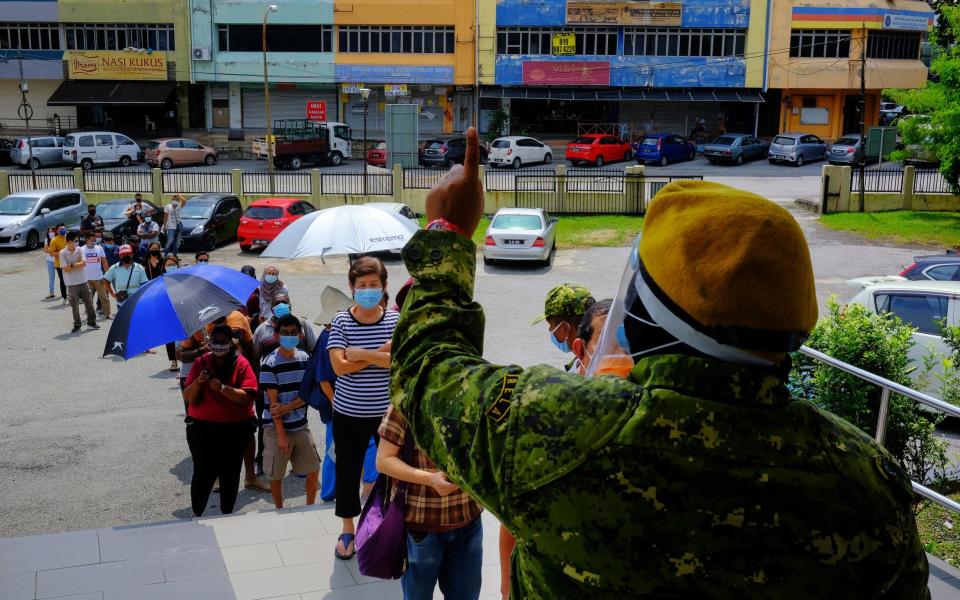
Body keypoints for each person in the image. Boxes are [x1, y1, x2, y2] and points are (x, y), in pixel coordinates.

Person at [390, 130, 929, 598]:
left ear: (642, 316)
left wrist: (449, 234)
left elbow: (427, 372)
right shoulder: (868, 483)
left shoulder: (563, 429)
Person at [327, 256, 398, 560]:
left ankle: (392, 525)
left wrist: (359, 353)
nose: (368, 290)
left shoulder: (395, 320)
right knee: (348, 471)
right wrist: (378, 354)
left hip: (387, 413)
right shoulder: (341, 320)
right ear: (351, 288)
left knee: (393, 472)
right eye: (362, 285)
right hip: (348, 412)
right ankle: (347, 529)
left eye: (374, 285)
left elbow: (399, 360)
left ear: (384, 287)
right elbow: (339, 368)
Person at [376, 406, 484, 600]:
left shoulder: (475, 397)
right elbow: (383, 460)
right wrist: (430, 479)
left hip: (468, 520)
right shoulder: (407, 403)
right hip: (422, 527)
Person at [182, 324, 258, 517]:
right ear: (209, 341)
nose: (218, 346)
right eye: (215, 342)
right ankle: (197, 513)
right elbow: (189, 397)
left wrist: (223, 388)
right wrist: (198, 382)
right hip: (202, 429)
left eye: (223, 342)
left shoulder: (241, 363)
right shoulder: (201, 362)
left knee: (230, 472)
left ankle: (227, 514)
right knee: (203, 472)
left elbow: (247, 396)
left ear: (231, 343)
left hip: (235, 429)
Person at [260, 315, 321, 508]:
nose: (289, 336)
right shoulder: (269, 363)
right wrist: (280, 435)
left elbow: (307, 394)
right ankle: (279, 509)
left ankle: (310, 507)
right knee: (276, 475)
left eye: (293, 333)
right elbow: (272, 404)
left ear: (300, 335)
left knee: (313, 469)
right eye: (285, 333)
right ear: (276, 336)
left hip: (300, 426)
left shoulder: (305, 359)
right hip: (276, 429)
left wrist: (288, 407)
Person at [532, 284, 595, 372]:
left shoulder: (582, 372)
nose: (550, 330)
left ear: (565, 328)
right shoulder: (600, 356)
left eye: (551, 325)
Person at [253, 294, 317, 359]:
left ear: (290, 307)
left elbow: (314, 350)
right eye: (277, 303)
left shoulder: (303, 324)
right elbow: (255, 357)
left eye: (284, 302)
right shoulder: (261, 330)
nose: (281, 305)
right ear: (271, 309)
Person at [59, 231, 99, 333]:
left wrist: (72, 265)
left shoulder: (79, 249)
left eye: (77, 241)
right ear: (69, 242)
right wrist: (77, 264)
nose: (77, 243)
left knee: (89, 302)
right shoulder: (62, 253)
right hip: (71, 283)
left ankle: (92, 322)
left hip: (83, 280)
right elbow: (65, 268)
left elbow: (84, 263)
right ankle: (77, 324)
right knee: (74, 305)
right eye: (75, 241)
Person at [102, 245, 148, 309]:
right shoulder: (114, 267)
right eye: (122, 254)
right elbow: (105, 280)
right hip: (121, 300)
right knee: (123, 319)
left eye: (127, 253)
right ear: (120, 256)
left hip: (136, 300)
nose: (125, 256)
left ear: (132, 254)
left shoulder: (139, 267)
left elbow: (144, 284)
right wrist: (112, 293)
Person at [80, 233, 111, 321]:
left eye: (95, 240)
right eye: (92, 240)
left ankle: (107, 314)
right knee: (88, 298)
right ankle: (90, 315)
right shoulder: (81, 250)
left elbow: (104, 262)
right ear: (87, 240)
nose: (94, 242)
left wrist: (108, 275)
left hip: (98, 277)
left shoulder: (99, 248)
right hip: (86, 279)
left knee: (104, 296)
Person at [48, 223, 68, 304]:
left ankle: (76, 297)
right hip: (59, 264)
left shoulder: (69, 238)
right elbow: (51, 253)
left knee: (72, 279)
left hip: (70, 262)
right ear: (57, 231)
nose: (62, 230)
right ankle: (64, 297)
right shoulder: (54, 240)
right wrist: (62, 253)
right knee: (63, 281)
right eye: (60, 229)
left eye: (64, 228)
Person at [43, 226, 58, 300]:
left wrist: (51, 251)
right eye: (49, 232)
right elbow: (45, 250)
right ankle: (51, 292)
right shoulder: (47, 240)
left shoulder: (58, 239)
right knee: (51, 278)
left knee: (63, 278)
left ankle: (65, 293)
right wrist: (54, 251)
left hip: (58, 260)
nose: (51, 233)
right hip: (50, 261)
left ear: (55, 232)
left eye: (52, 231)